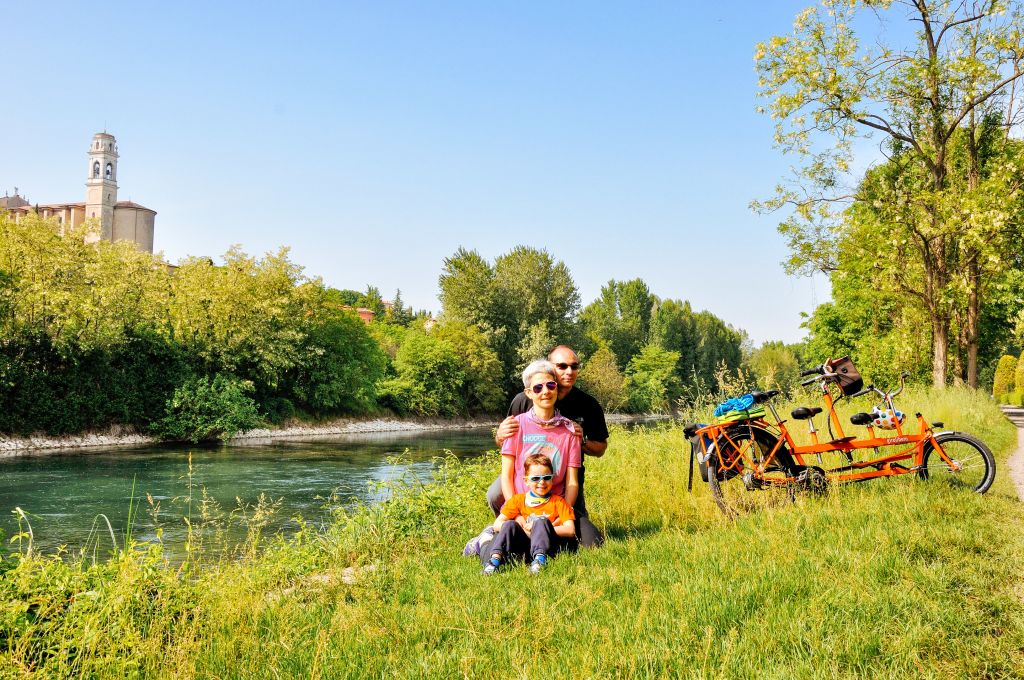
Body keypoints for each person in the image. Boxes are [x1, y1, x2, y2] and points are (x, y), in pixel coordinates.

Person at [488, 345, 609, 547]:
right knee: (494, 494)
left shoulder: (587, 404)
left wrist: (581, 441)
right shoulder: (521, 402)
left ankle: (543, 530)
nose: (569, 371)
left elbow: (601, 448)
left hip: (563, 479)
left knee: (586, 536)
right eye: (562, 366)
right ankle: (511, 524)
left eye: (574, 366)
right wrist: (500, 435)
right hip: (523, 478)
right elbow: (505, 440)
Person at [481, 452, 576, 575]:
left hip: (547, 544)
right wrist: (521, 527)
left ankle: (539, 561)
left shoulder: (559, 502)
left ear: (552, 479)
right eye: (535, 478)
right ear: (526, 481)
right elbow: (497, 524)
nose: (542, 482)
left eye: (546, 477)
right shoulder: (518, 500)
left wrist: (541, 528)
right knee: (509, 524)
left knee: (541, 522)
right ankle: (494, 561)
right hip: (522, 543)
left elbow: (570, 530)